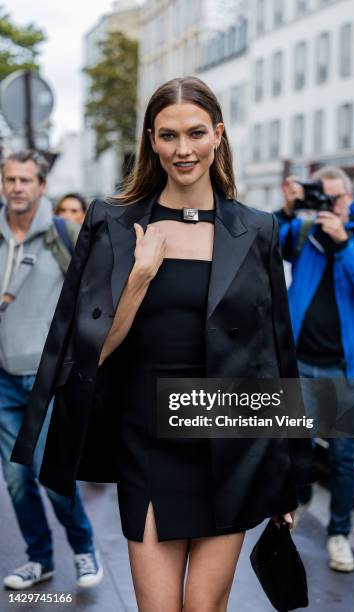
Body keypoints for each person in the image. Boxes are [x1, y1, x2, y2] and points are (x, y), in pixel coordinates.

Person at [11, 78, 312, 611]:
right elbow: (91, 351)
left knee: (203, 606)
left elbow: (276, 357)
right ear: (152, 140)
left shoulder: (257, 229)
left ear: (217, 135)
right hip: (147, 442)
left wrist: (288, 475)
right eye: (168, 135)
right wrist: (138, 279)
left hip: (232, 443)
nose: (183, 149)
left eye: (196, 133)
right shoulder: (114, 223)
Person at [0, 151, 103, 589]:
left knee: (49, 472)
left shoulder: (65, 233)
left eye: (26, 179)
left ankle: (84, 548)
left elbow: (99, 295)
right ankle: (39, 558)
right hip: (3, 379)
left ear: (41, 186)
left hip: (48, 379)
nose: (17, 187)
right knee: (17, 479)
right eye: (10, 179)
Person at [277, 168, 354, 572]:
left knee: (342, 457)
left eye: (337, 198)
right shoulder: (303, 233)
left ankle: (339, 534)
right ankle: (298, 504)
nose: (331, 206)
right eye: (324, 198)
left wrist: (343, 245)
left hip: (346, 369)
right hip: (301, 362)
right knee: (295, 446)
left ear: (350, 196)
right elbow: (268, 242)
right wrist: (287, 208)